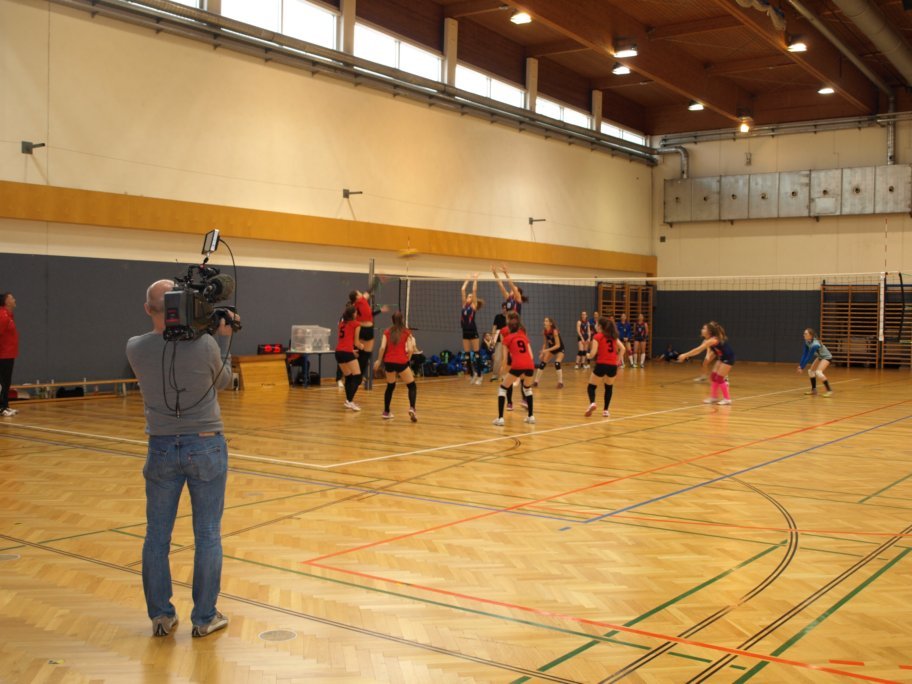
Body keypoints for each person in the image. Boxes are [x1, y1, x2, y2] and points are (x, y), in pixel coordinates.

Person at [125, 279, 236, 639]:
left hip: (160, 447)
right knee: (207, 534)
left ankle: (161, 615)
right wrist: (221, 337)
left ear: (148, 309)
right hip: (205, 445)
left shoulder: (135, 347)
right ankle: (204, 617)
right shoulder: (205, 344)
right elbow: (225, 381)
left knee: (157, 535)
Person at [373, 311, 418, 421]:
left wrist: (379, 360)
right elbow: (411, 349)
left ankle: (386, 411)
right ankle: (412, 408)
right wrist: (407, 359)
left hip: (389, 362)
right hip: (401, 362)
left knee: (390, 386)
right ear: (402, 320)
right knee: (412, 386)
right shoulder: (406, 332)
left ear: (392, 320)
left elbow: (382, 348)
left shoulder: (387, 331)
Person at [677, 321, 734, 405]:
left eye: (704, 328)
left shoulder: (713, 340)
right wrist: (708, 356)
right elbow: (712, 351)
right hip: (721, 358)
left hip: (728, 358)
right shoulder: (707, 340)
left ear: (709, 332)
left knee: (719, 378)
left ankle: (727, 399)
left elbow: (698, 350)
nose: (702, 330)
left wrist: (685, 355)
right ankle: (714, 397)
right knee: (713, 377)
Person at [493, 312, 536, 426]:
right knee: (527, 389)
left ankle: (500, 418)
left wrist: (502, 370)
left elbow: (506, 358)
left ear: (508, 327)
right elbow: (531, 355)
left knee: (502, 388)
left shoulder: (507, 339)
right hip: (530, 364)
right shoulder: (524, 337)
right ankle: (531, 416)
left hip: (517, 365)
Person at [584, 317, 625, 417]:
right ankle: (606, 410)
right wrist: (617, 361)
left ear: (600, 326)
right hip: (612, 366)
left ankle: (592, 403)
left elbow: (593, 354)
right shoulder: (613, 337)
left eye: (596, 324)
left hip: (601, 365)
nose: (595, 326)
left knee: (591, 387)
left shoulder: (597, 336)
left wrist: (588, 356)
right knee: (608, 387)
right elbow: (623, 348)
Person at [349, 287, 389, 385]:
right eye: (359, 292)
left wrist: (380, 310)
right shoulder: (361, 300)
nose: (360, 292)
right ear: (357, 296)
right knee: (366, 354)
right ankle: (358, 376)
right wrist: (378, 281)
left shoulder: (355, 305)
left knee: (361, 353)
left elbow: (369, 314)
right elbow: (369, 290)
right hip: (367, 329)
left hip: (360, 329)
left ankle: (357, 376)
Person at [336, 304, 363, 411]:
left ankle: (348, 401)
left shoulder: (341, 324)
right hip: (346, 352)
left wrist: (351, 350)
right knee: (358, 377)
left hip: (338, 352)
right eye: (356, 312)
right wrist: (361, 346)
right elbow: (356, 342)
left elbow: (344, 340)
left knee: (349, 377)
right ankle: (350, 401)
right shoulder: (356, 324)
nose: (357, 314)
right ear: (353, 314)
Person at [460, 273, 485, 385]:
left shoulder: (473, 306)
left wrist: (475, 279)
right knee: (466, 355)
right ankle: (472, 374)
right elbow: (462, 289)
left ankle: (480, 375)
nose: (468, 297)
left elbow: (474, 290)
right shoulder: (464, 305)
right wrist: (467, 279)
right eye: (468, 296)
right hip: (465, 332)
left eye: (470, 296)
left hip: (473, 331)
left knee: (476, 354)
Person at [797, 328, 833, 397]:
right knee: (811, 371)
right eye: (804, 333)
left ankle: (829, 391)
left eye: (806, 334)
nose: (804, 335)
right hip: (820, 357)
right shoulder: (807, 342)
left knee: (818, 372)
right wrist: (800, 366)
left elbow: (809, 356)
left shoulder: (815, 344)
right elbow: (804, 354)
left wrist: (802, 367)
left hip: (827, 357)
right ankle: (814, 390)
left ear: (811, 335)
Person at [0, 293, 19, 417]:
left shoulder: (9, 315)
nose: (14, 299)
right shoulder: (2, 316)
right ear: (6, 301)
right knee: (2, 383)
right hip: (3, 355)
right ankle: (1, 407)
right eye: (12, 298)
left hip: (9, 354)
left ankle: (5, 405)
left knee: (6, 382)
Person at [534, 317, 564, 388]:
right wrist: (542, 353)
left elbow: (558, 345)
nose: (544, 322)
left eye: (546, 321)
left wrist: (546, 350)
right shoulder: (544, 331)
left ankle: (560, 382)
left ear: (550, 323)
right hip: (551, 349)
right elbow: (545, 343)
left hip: (559, 349)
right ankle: (536, 382)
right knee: (542, 364)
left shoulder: (554, 331)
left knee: (557, 363)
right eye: (544, 321)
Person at [489, 303, 508, 382]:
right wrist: (492, 338)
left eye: (506, 308)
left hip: (509, 340)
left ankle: (504, 375)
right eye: (503, 308)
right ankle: (495, 375)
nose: (504, 309)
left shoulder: (510, 317)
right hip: (499, 341)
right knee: (497, 358)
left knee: (506, 359)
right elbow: (494, 327)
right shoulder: (498, 317)